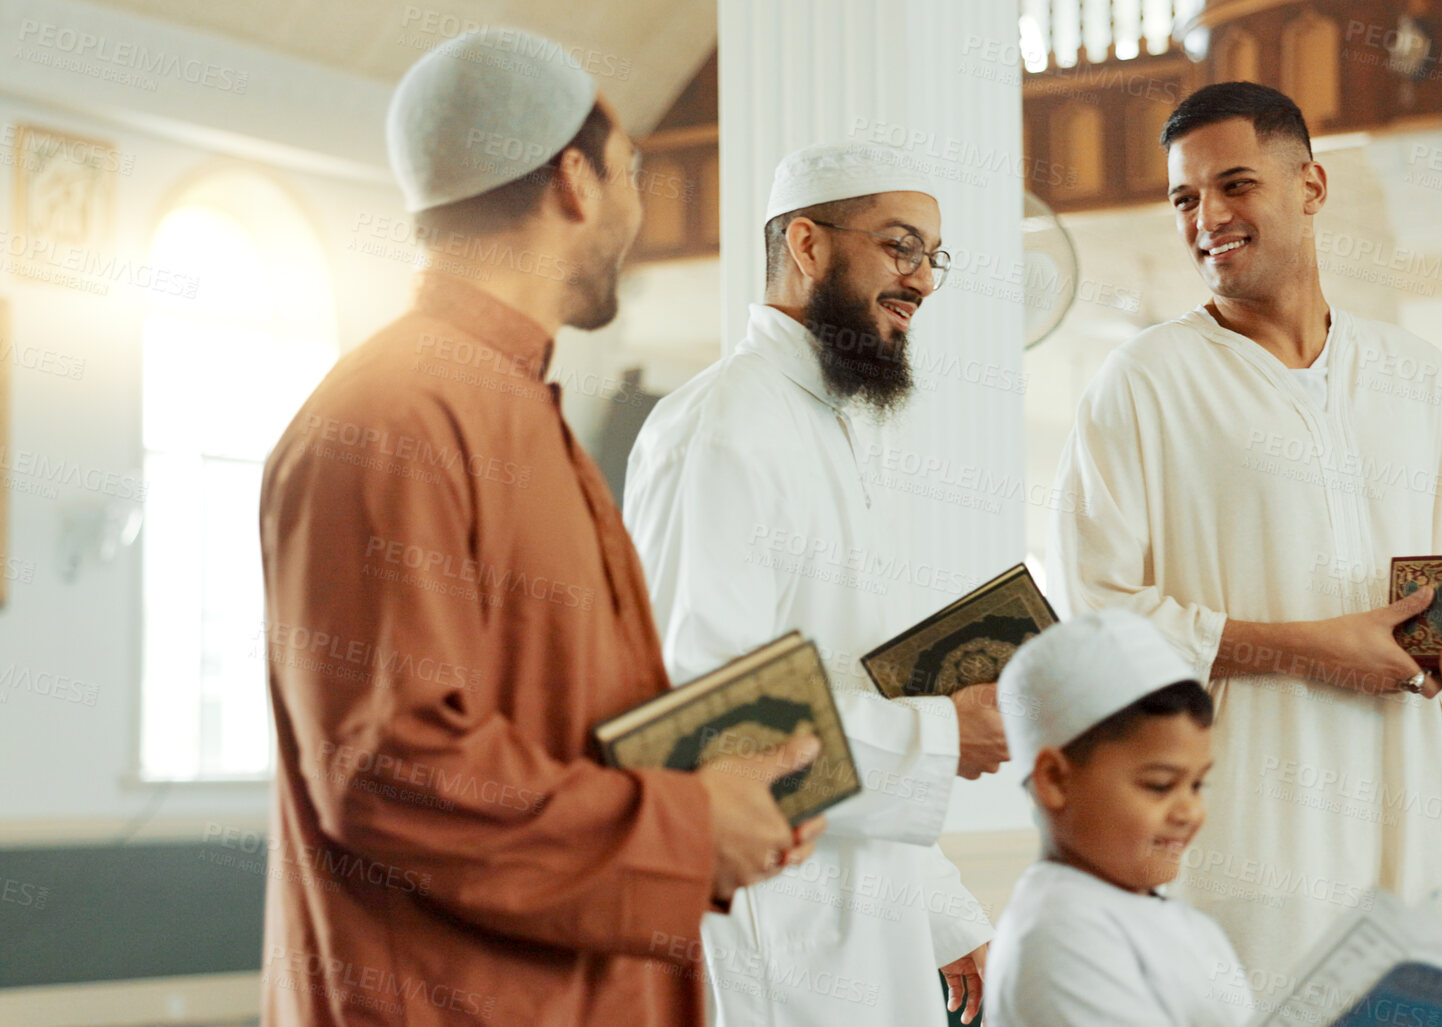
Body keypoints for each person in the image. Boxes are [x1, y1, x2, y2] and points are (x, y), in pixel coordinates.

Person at [257, 29, 819, 1026]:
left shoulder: (511, 403)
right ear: (574, 180)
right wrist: (690, 828)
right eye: (631, 172)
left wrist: (727, 803)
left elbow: (551, 730)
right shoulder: (393, 414)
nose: (637, 208)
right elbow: (396, 772)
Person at [1046, 81, 1442, 998]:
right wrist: (1307, 649)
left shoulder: (1414, 377)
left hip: (1408, 822)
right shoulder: (1142, 382)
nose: (1206, 217)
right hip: (1243, 842)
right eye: (1184, 198)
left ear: (1312, 186)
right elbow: (1094, 613)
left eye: (1234, 184)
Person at [623, 142, 1003, 1026]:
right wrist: (943, 732)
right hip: (769, 943)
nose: (923, 281)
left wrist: (939, 907)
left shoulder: (839, 427)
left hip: (874, 928)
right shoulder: (719, 430)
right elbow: (698, 725)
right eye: (900, 247)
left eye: (932, 257)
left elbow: (852, 689)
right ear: (806, 243)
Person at [985, 609, 1254, 1027]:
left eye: (1197, 785)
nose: (1189, 812)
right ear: (1055, 779)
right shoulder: (1060, 935)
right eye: (1160, 785)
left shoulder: (1177, 920)